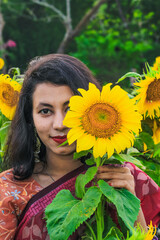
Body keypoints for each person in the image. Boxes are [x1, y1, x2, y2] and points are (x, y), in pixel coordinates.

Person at [0, 54, 159, 240]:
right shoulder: (9, 190)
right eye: (45, 111)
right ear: (30, 119)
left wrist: (129, 204)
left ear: (92, 108)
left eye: (70, 108)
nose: (59, 124)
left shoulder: (125, 178)